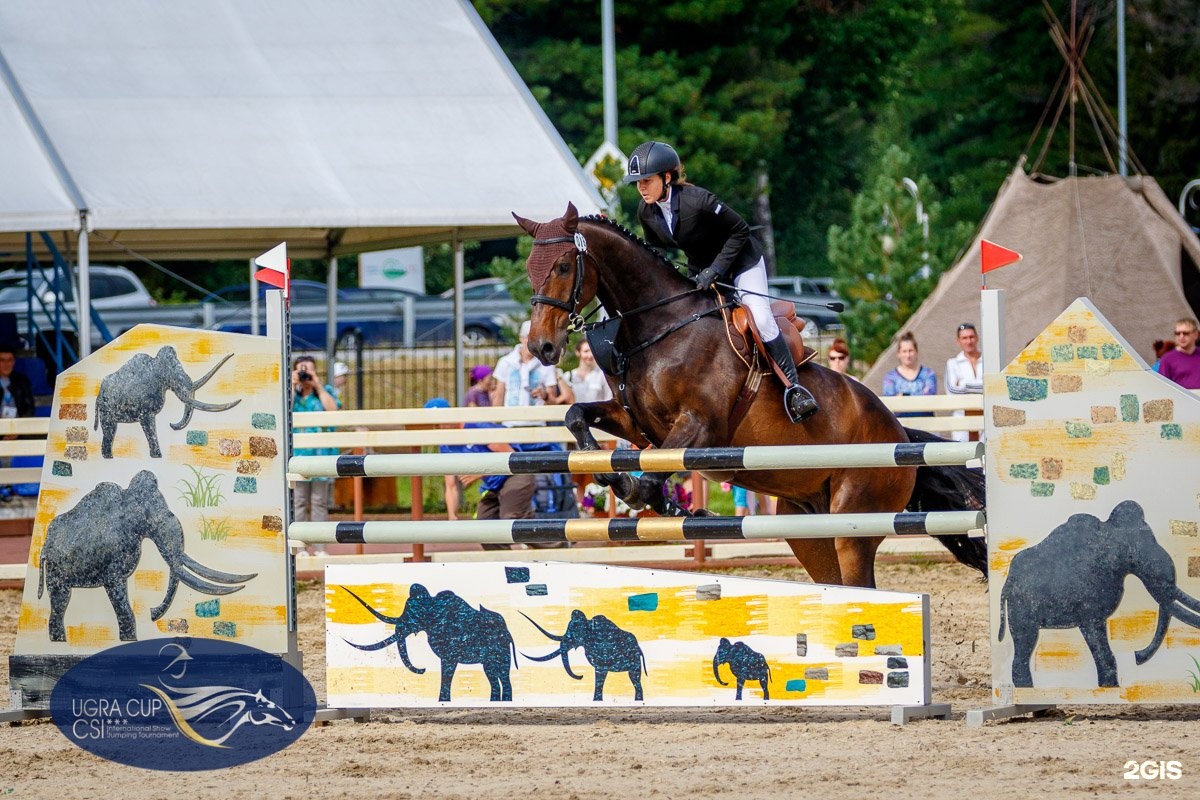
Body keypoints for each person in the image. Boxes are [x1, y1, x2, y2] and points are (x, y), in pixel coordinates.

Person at [624, 140, 817, 423]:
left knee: (761, 318)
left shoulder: (698, 201)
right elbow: (658, 253)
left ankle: (795, 389)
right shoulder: (647, 212)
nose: (641, 187)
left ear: (667, 177)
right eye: (637, 182)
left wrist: (715, 270)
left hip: (742, 262)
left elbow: (739, 231)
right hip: (701, 268)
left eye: (647, 180)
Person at [429, 397, 565, 550]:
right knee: (485, 529)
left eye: (439, 420)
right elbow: (451, 486)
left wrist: (479, 472)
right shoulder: (445, 444)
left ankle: (558, 546)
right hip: (494, 485)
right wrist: (452, 516)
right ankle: (507, 564)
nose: (437, 426)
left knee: (512, 518)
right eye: (433, 423)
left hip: (515, 473)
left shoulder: (475, 427)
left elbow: (510, 457)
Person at [291, 356, 341, 554]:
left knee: (320, 502)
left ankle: (320, 546)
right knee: (299, 501)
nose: (306, 375)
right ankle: (301, 546)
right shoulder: (289, 392)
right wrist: (292, 385)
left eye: (309, 371)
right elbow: (282, 410)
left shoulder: (325, 392)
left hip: (321, 455)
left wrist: (318, 386)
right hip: (298, 456)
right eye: (302, 371)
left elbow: (333, 411)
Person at [492, 320, 564, 411]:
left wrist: (544, 395)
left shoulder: (547, 364)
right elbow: (499, 396)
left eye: (537, 338)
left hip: (537, 422)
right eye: (529, 337)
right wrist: (493, 422)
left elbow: (553, 402)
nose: (533, 342)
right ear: (521, 338)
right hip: (510, 422)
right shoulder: (505, 362)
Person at [0, 344, 35, 501]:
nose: (6, 364)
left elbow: (29, 409)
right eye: (2, 360)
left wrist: (18, 430)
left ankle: (15, 485)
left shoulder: (22, 381)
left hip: (18, 430)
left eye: (10, 360)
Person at [945, 322, 984, 442]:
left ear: (977, 338)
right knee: (962, 457)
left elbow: (993, 387)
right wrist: (981, 385)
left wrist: (963, 384)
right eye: (964, 338)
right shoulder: (952, 363)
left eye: (971, 337)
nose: (969, 341)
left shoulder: (989, 360)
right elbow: (951, 390)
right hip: (961, 418)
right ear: (958, 341)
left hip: (986, 416)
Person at [882, 332, 937, 416]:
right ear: (898, 354)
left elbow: (928, 398)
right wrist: (918, 396)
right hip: (900, 425)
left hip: (925, 422)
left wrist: (903, 396)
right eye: (904, 351)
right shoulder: (890, 377)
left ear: (916, 352)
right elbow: (889, 403)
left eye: (910, 351)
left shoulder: (928, 374)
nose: (908, 355)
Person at [1158, 317, 1200, 389]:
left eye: (1185, 333)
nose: (1181, 336)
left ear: (1196, 334)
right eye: (1177, 333)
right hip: (1182, 399)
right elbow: (1162, 386)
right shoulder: (1167, 359)